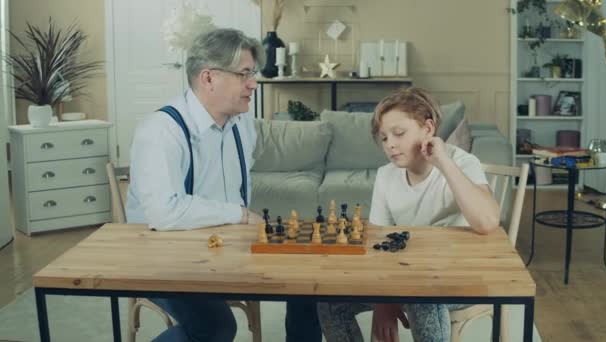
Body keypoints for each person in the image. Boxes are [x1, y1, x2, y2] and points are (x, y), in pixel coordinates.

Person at [127, 28, 321, 342]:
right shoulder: (162, 131)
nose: (253, 83)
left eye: (252, 73)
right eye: (244, 74)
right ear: (209, 78)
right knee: (216, 328)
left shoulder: (241, 122)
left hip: (223, 249)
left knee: (308, 283)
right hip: (164, 258)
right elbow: (164, 213)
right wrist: (240, 214)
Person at [317, 87, 500, 342]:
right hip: (404, 280)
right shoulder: (386, 175)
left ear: (428, 129)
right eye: (384, 138)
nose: (390, 144)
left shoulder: (463, 163)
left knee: (422, 298)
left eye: (399, 133)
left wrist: (444, 162)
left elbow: (488, 222)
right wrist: (384, 302)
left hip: (453, 279)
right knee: (329, 303)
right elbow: (378, 247)